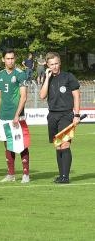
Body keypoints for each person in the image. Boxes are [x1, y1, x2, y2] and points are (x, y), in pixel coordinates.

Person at [39, 52, 81, 184]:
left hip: (66, 115)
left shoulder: (68, 77)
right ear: (47, 65)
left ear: (60, 62)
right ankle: (61, 175)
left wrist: (77, 114)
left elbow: (76, 96)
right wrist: (46, 77)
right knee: (58, 146)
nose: (55, 66)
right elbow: (42, 96)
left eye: (56, 63)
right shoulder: (48, 78)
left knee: (65, 144)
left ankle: (65, 177)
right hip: (52, 116)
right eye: (52, 64)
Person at [0, 48, 31, 183]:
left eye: (12, 58)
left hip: (16, 116)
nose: (10, 61)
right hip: (3, 115)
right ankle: (11, 174)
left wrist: (17, 115)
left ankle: (26, 174)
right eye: (7, 58)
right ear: (3, 59)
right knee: (8, 144)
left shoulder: (20, 74)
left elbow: (24, 96)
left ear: (15, 59)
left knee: (21, 143)